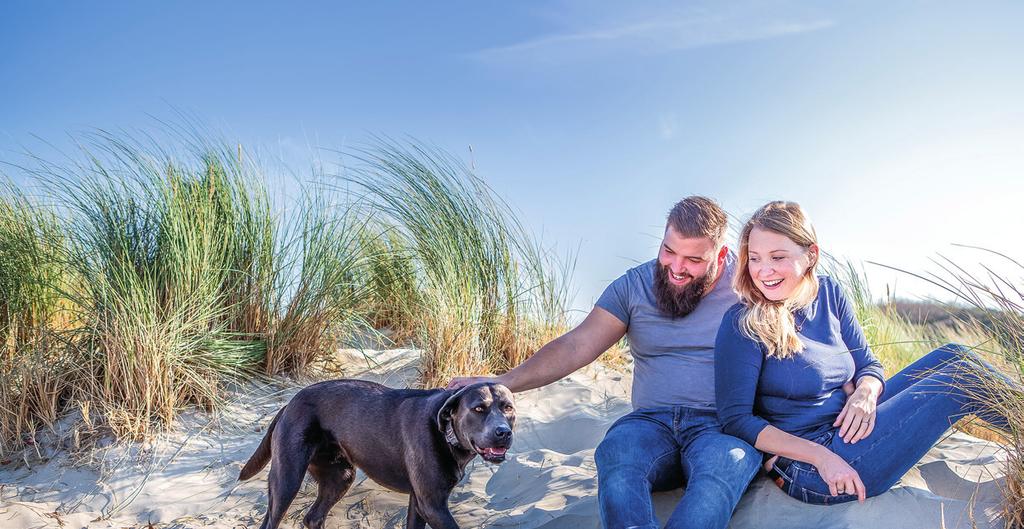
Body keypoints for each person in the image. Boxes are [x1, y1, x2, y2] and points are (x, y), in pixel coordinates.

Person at [449, 196, 760, 529]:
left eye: (694, 260)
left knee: (723, 469)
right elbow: (576, 345)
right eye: (669, 251)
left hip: (720, 425)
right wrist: (501, 382)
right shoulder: (634, 285)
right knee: (617, 455)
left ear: (722, 255)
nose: (676, 268)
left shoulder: (750, 287)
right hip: (650, 424)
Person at [715, 200, 1012, 505]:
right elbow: (736, 419)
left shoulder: (829, 292)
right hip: (812, 466)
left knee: (955, 355)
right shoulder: (742, 321)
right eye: (754, 258)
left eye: (778, 257)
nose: (764, 271)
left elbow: (867, 364)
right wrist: (820, 456)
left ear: (810, 255)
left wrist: (865, 394)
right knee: (961, 379)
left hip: (853, 426)